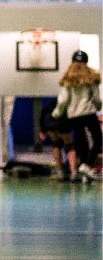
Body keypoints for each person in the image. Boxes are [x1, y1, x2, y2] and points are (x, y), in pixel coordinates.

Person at [52, 50, 102, 179]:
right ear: (86, 62)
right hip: (88, 113)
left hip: (73, 115)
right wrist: (98, 107)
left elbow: (63, 100)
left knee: (81, 142)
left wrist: (57, 113)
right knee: (98, 140)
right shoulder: (92, 78)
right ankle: (86, 165)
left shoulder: (68, 79)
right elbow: (97, 99)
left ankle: (83, 170)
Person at [39, 101, 75, 181]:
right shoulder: (68, 103)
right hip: (62, 121)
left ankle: (60, 172)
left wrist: (42, 130)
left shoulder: (48, 105)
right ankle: (73, 173)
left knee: (56, 144)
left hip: (49, 122)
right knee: (70, 146)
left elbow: (42, 117)